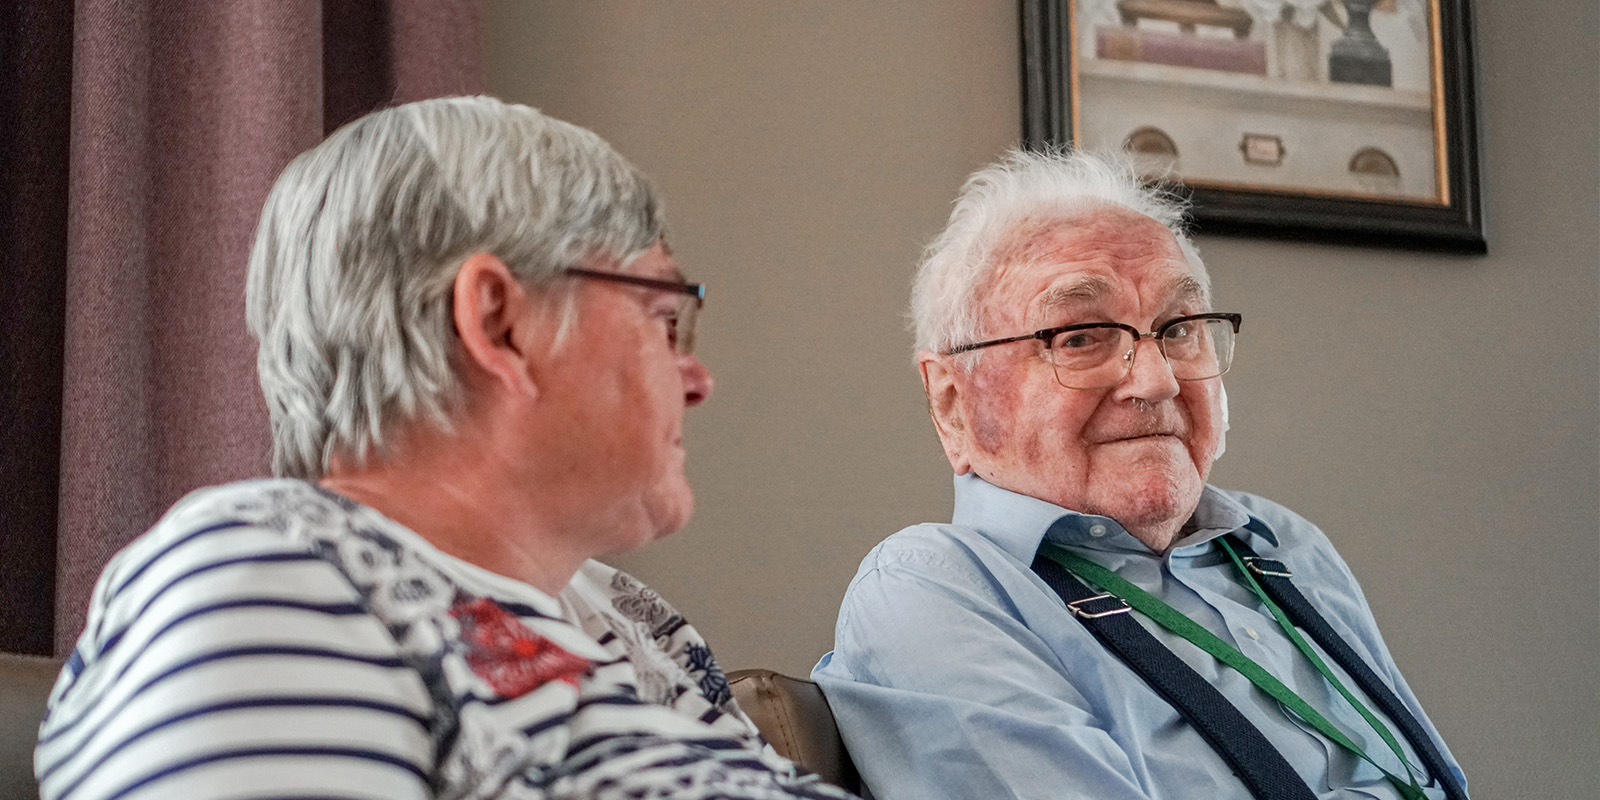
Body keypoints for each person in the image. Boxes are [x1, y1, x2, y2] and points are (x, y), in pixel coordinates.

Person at [36, 96, 857, 800]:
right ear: (499, 321)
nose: (697, 377)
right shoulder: (265, 578)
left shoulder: (631, 623)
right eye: (662, 316)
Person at [812, 148, 1469, 800]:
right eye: (1081, 337)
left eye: (1179, 328)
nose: (1155, 381)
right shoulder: (934, 590)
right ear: (953, 403)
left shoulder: (1283, 546)